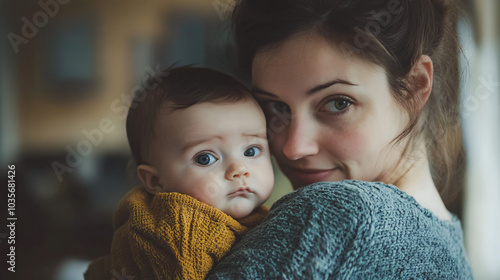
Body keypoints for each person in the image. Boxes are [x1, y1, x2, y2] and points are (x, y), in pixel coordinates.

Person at [207, 0, 473, 278]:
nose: (294, 147)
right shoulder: (453, 251)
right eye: (278, 108)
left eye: (337, 103)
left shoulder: (334, 213)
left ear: (415, 86)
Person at [84, 66, 274, 279]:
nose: (239, 170)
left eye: (251, 151)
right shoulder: (181, 233)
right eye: (205, 158)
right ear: (155, 180)